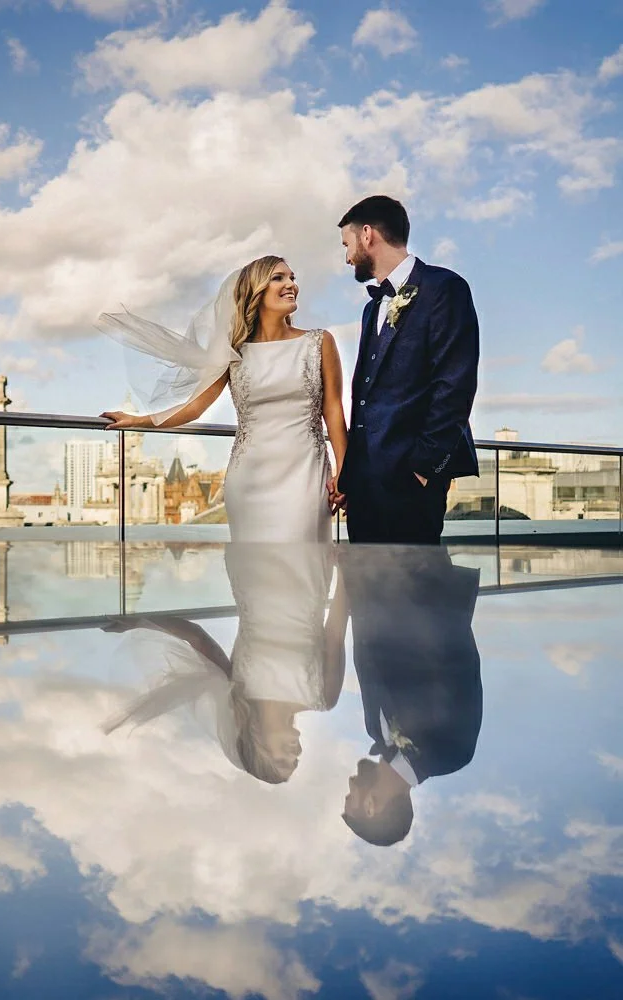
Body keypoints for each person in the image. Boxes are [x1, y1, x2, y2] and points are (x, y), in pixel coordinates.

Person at [99, 257, 347, 542]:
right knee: (255, 573)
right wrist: (138, 421)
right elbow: (195, 407)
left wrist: (344, 470)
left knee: (305, 565)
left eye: (292, 277)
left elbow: (333, 411)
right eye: (278, 278)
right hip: (249, 479)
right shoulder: (234, 351)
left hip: (306, 472)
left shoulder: (319, 342)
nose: (291, 284)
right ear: (256, 290)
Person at [103, 544, 347, 784]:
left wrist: (139, 622)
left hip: (253, 565)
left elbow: (196, 637)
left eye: (283, 760)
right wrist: (346, 571)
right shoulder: (324, 697)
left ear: (258, 746)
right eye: (295, 762)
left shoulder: (235, 689)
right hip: (309, 569)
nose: (295, 755)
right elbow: (334, 636)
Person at [337, 195, 480, 544]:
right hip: (364, 486)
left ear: (367, 234)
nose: (346, 257)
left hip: (412, 481)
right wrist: (351, 478)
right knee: (364, 590)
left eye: (347, 244)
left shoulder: (445, 288)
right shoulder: (371, 309)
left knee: (414, 591)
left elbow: (455, 385)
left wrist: (424, 469)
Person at [340, 545, 482, 846]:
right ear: (371, 807)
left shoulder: (374, 731)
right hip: (416, 565)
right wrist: (407, 570)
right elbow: (458, 659)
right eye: (350, 799)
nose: (350, 785)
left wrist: (356, 572)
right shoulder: (450, 754)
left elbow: (368, 645)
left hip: (370, 567)